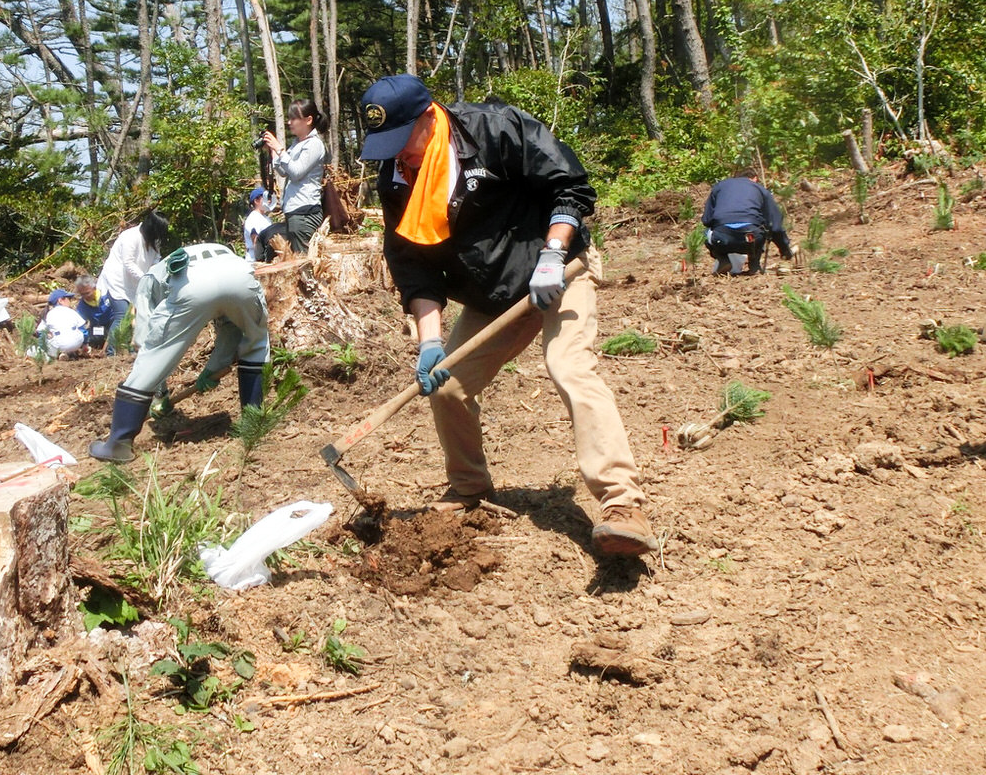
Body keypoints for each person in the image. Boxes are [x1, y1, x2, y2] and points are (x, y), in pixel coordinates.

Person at [357, 74, 655, 558]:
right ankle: (469, 488)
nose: (396, 155)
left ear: (429, 118)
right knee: (449, 383)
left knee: (570, 368)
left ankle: (622, 505)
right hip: (493, 296)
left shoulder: (495, 129)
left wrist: (554, 252)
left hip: (558, 272)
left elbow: (570, 187)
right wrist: (430, 343)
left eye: (401, 140)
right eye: (383, 145)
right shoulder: (396, 178)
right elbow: (414, 267)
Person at [89, 243, 269, 463]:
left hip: (192, 283)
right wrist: (213, 368)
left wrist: (158, 391)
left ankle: (118, 444)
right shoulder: (220, 251)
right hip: (242, 277)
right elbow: (231, 328)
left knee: (152, 357)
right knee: (256, 344)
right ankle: (253, 427)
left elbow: (147, 341)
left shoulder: (150, 278)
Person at [95, 210, 169, 354]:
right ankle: (111, 352)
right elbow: (128, 263)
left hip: (137, 283)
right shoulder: (130, 236)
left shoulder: (154, 241)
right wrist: (145, 279)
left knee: (139, 316)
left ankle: (132, 349)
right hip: (117, 281)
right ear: (152, 228)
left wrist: (152, 273)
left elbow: (156, 259)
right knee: (122, 315)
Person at [259, 99, 328, 253]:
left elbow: (296, 172)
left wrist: (279, 149)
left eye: (293, 118)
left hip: (305, 212)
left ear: (308, 120)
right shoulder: (297, 143)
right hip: (295, 212)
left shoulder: (314, 144)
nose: (289, 122)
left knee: (304, 263)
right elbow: (284, 172)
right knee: (298, 261)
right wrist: (273, 151)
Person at [701, 171, 794, 276]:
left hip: (722, 239)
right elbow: (775, 224)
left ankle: (723, 258)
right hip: (752, 238)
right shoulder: (760, 189)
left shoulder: (720, 186)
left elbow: (706, 220)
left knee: (704, 233)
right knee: (761, 229)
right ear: (755, 178)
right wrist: (785, 250)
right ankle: (754, 264)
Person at [38, 288, 89, 359]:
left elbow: (40, 333)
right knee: (77, 332)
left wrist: (43, 348)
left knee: (48, 338)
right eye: (68, 299)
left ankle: (55, 354)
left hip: (59, 345)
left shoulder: (48, 314)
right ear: (60, 300)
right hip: (77, 344)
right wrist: (85, 345)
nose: (69, 301)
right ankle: (69, 353)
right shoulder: (72, 312)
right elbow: (83, 331)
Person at [73, 273, 111, 352]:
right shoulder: (82, 306)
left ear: (94, 288)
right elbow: (79, 324)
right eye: (82, 294)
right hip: (98, 329)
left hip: (113, 325)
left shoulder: (107, 296)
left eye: (87, 293)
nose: (85, 296)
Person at [242, 186, 274, 264]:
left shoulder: (266, 218)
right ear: (256, 201)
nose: (269, 201)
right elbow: (255, 240)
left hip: (266, 259)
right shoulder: (253, 218)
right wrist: (261, 259)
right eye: (265, 197)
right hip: (255, 261)